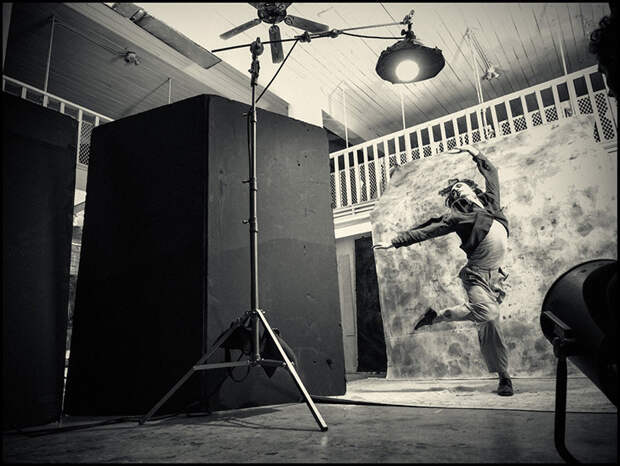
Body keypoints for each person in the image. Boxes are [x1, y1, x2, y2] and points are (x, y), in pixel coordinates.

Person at [373, 144, 513, 396]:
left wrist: (473, 152)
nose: (458, 189)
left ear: (471, 188)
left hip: (496, 277)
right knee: (489, 317)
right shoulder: (457, 217)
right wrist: (395, 241)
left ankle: (435, 316)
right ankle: (504, 377)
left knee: (477, 312)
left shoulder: (492, 204)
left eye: (460, 185)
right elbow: (429, 229)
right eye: (454, 190)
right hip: (476, 276)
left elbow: (492, 173)